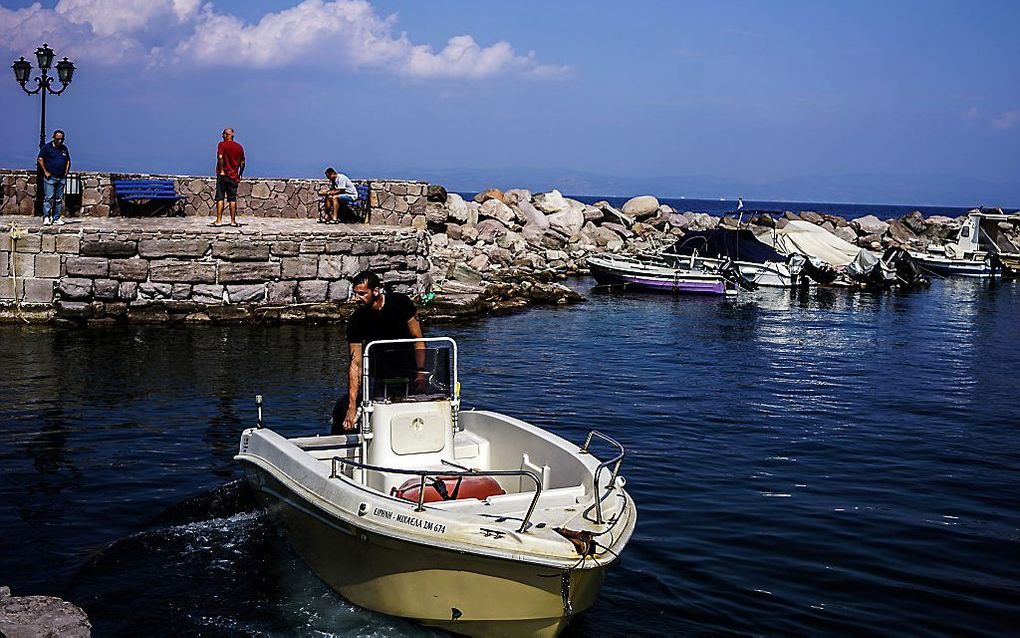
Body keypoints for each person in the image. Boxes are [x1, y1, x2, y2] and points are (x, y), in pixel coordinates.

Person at [335, 271, 427, 433]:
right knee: (351, 409)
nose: (357, 298)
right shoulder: (356, 320)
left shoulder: (401, 303)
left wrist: (421, 372)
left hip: (408, 369)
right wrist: (352, 405)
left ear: (376, 291)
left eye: (362, 294)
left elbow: (418, 338)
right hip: (380, 373)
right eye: (355, 294)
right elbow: (355, 363)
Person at [211, 128, 245, 227]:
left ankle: (219, 220)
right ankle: (233, 221)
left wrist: (221, 170)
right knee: (232, 199)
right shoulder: (239, 147)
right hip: (234, 176)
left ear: (226, 135)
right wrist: (240, 174)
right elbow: (242, 163)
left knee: (220, 197)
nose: (222, 136)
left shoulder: (222, 145)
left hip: (223, 175)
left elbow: (220, 157)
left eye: (223, 134)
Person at [36, 130, 71, 226]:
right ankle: (46, 217)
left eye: (61, 139)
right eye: (58, 139)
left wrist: (66, 173)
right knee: (48, 198)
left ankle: (56, 218)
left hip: (61, 177)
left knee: (59, 199)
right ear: (54, 138)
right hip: (50, 177)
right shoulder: (47, 147)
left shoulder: (64, 148)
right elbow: (40, 159)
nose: (59, 141)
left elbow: (68, 160)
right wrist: (45, 172)